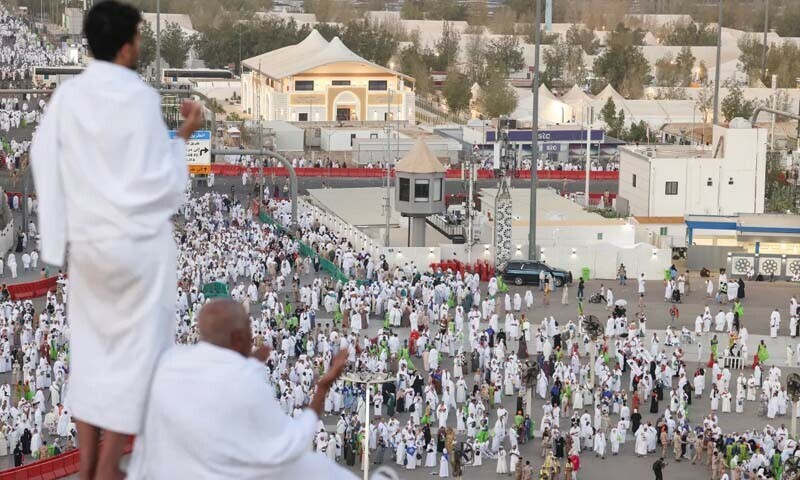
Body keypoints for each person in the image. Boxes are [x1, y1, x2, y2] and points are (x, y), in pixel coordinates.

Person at [30, 3, 205, 479]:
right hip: (137, 250)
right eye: (139, 38)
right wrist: (183, 136)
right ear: (127, 46)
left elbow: (42, 155)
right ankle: (108, 467)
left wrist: (59, 233)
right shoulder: (140, 99)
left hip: (89, 248)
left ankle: (88, 466)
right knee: (138, 357)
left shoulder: (69, 96)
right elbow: (161, 180)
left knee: (91, 353)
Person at [128, 299, 355, 479]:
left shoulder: (169, 363)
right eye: (249, 330)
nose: (253, 337)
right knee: (314, 467)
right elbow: (291, 445)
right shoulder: (245, 381)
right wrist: (323, 387)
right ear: (237, 338)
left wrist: (245, 363)